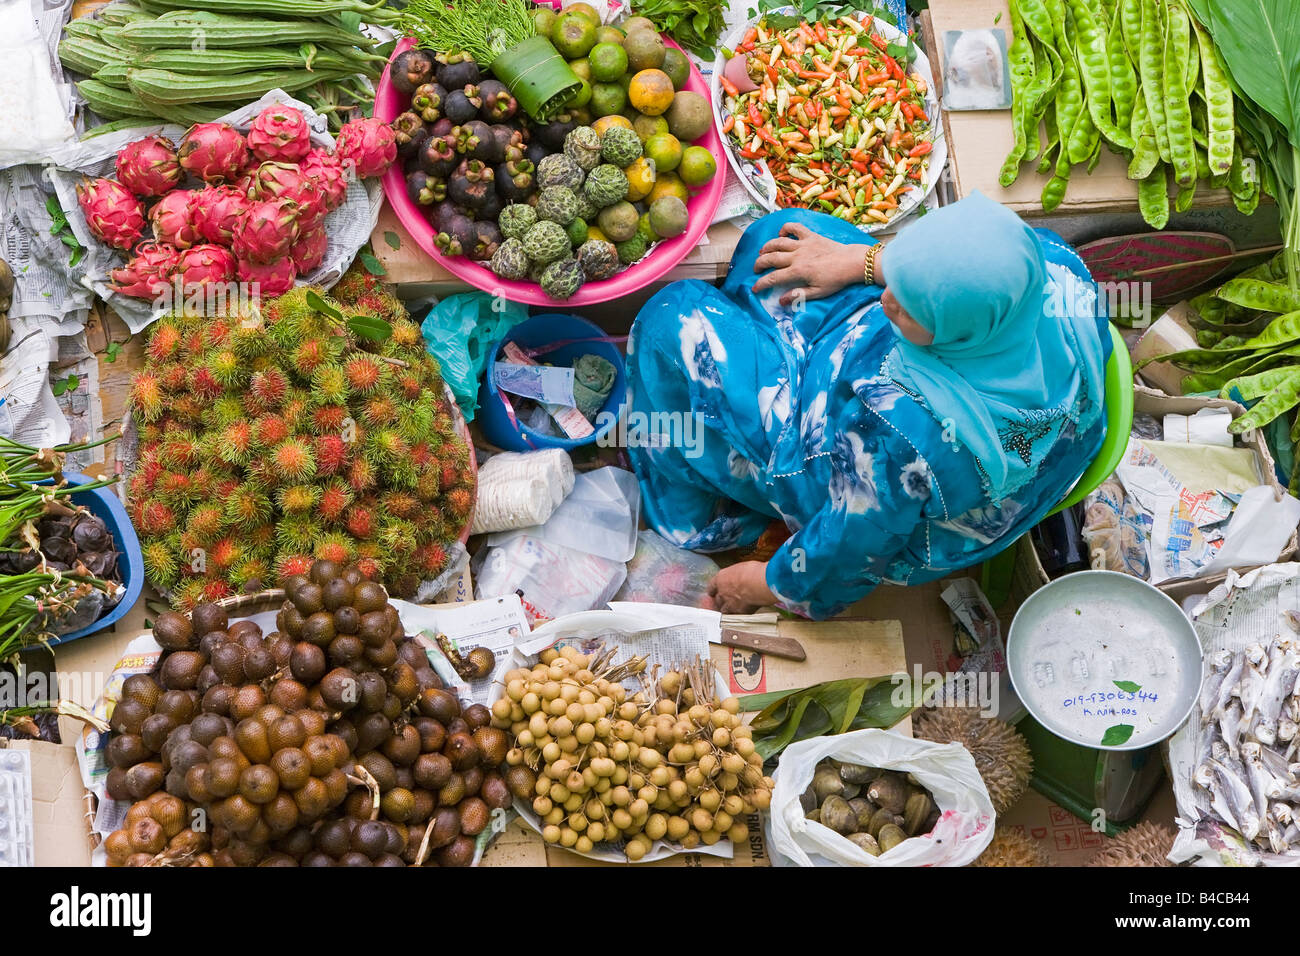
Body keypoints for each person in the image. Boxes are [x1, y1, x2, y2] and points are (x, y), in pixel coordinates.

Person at [625, 192, 1111, 618]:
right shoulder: (1054, 269)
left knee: (672, 319)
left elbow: (851, 549)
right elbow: (929, 277)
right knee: (774, 237)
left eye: (910, 304)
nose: (887, 299)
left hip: (861, 487)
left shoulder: (904, 440)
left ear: (958, 332)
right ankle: (767, 327)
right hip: (904, 390)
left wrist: (766, 584)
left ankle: (694, 522)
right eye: (896, 280)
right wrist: (863, 261)